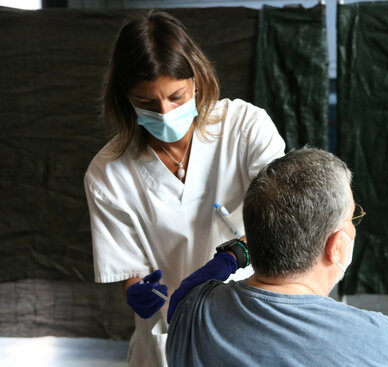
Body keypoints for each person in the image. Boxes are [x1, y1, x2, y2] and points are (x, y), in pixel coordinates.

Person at [83, 10, 285, 367]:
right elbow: (131, 270)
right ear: (125, 98)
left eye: (176, 96)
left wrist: (233, 256)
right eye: (147, 103)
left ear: (197, 79)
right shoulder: (108, 174)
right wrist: (138, 292)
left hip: (252, 325)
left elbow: (285, 215)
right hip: (170, 338)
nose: (163, 112)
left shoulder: (246, 128)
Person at [166, 147, 388, 367]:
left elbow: (188, 291)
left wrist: (233, 255)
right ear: (335, 246)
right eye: (352, 218)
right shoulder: (382, 343)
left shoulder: (192, 312)